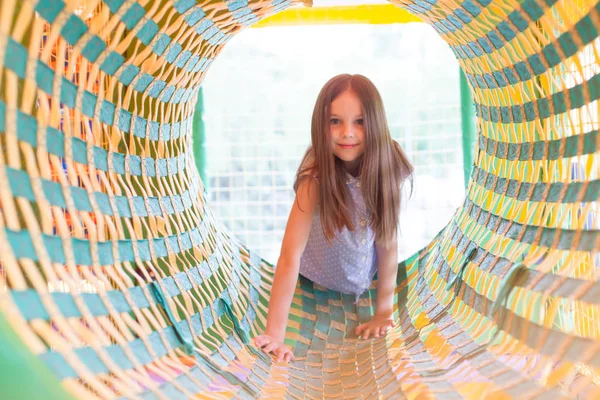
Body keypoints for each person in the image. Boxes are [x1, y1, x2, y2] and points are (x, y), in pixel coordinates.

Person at [253, 74, 414, 363]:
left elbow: (387, 238)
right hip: (316, 277)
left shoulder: (387, 164)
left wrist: (383, 312)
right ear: (320, 124)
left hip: (366, 273)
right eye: (335, 121)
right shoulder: (315, 176)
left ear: (375, 122)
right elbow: (290, 255)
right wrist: (274, 336)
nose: (347, 133)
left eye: (360, 121)